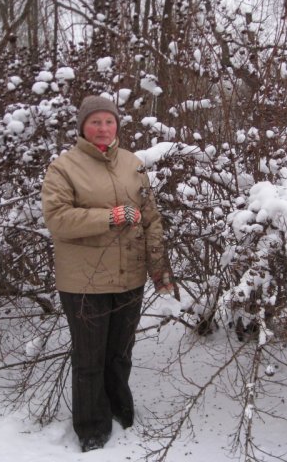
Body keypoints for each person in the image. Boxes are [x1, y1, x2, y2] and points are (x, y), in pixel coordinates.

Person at [41, 95, 174, 452]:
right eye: (96, 122)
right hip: (85, 283)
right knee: (89, 359)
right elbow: (57, 219)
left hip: (129, 278)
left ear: (117, 125)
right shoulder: (64, 167)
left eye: (109, 121)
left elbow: (151, 219)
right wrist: (109, 217)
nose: (103, 128)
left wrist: (159, 269)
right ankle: (92, 429)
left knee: (120, 353)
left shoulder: (132, 163)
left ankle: (119, 409)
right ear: (83, 126)